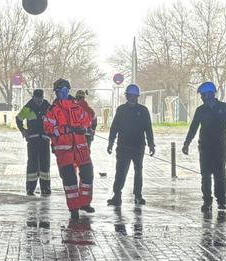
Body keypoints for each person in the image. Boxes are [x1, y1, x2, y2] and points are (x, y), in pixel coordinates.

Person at [182, 81, 226, 212]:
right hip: (205, 148)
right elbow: (193, 127)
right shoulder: (200, 110)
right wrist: (187, 143)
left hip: (220, 147)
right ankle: (207, 201)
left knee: (220, 175)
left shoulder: (224, 107)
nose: (201, 97)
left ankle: (221, 201)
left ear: (210, 94)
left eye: (202, 94)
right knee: (205, 176)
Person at [44, 78, 96, 222]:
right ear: (56, 92)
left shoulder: (77, 106)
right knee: (70, 181)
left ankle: (85, 203)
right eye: (61, 91)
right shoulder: (52, 110)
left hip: (81, 148)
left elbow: (87, 119)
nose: (63, 93)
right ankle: (73, 208)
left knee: (88, 175)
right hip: (64, 150)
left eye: (66, 90)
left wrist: (84, 129)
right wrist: (67, 129)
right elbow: (49, 129)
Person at [106, 84, 155, 207]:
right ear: (127, 96)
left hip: (138, 146)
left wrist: (151, 144)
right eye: (129, 95)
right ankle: (117, 195)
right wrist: (111, 142)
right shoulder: (121, 109)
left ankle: (138, 195)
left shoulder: (143, 110)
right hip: (123, 146)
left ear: (137, 96)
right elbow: (114, 127)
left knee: (138, 171)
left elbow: (148, 128)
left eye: (133, 96)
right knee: (121, 171)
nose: (131, 98)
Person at [15, 88, 52, 196]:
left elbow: (55, 119)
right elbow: (18, 119)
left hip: (45, 139)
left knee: (45, 164)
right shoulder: (28, 107)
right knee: (32, 164)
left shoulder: (48, 107)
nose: (39, 101)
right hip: (32, 140)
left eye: (40, 98)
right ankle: (30, 188)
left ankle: (45, 188)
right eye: (37, 99)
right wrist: (23, 130)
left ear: (42, 97)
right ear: (34, 97)